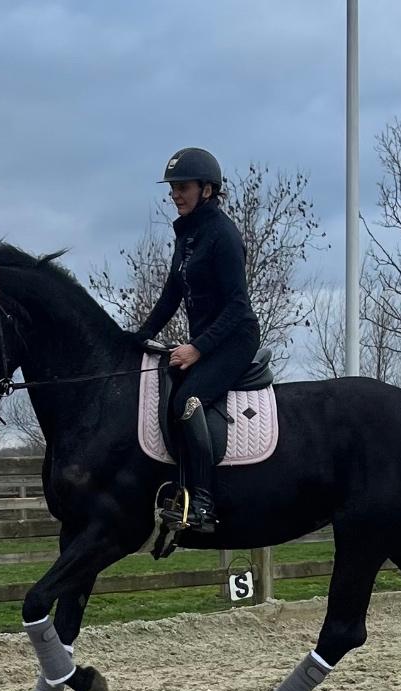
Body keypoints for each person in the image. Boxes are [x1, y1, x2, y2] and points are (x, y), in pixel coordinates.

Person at [134, 147, 260, 533]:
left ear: (207, 189)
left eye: (183, 187)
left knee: (189, 401)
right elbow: (171, 296)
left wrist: (198, 347)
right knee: (169, 395)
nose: (175, 194)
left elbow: (238, 307)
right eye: (172, 188)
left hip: (234, 340)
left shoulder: (222, 235)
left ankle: (202, 504)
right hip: (207, 340)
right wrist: (138, 337)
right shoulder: (187, 237)